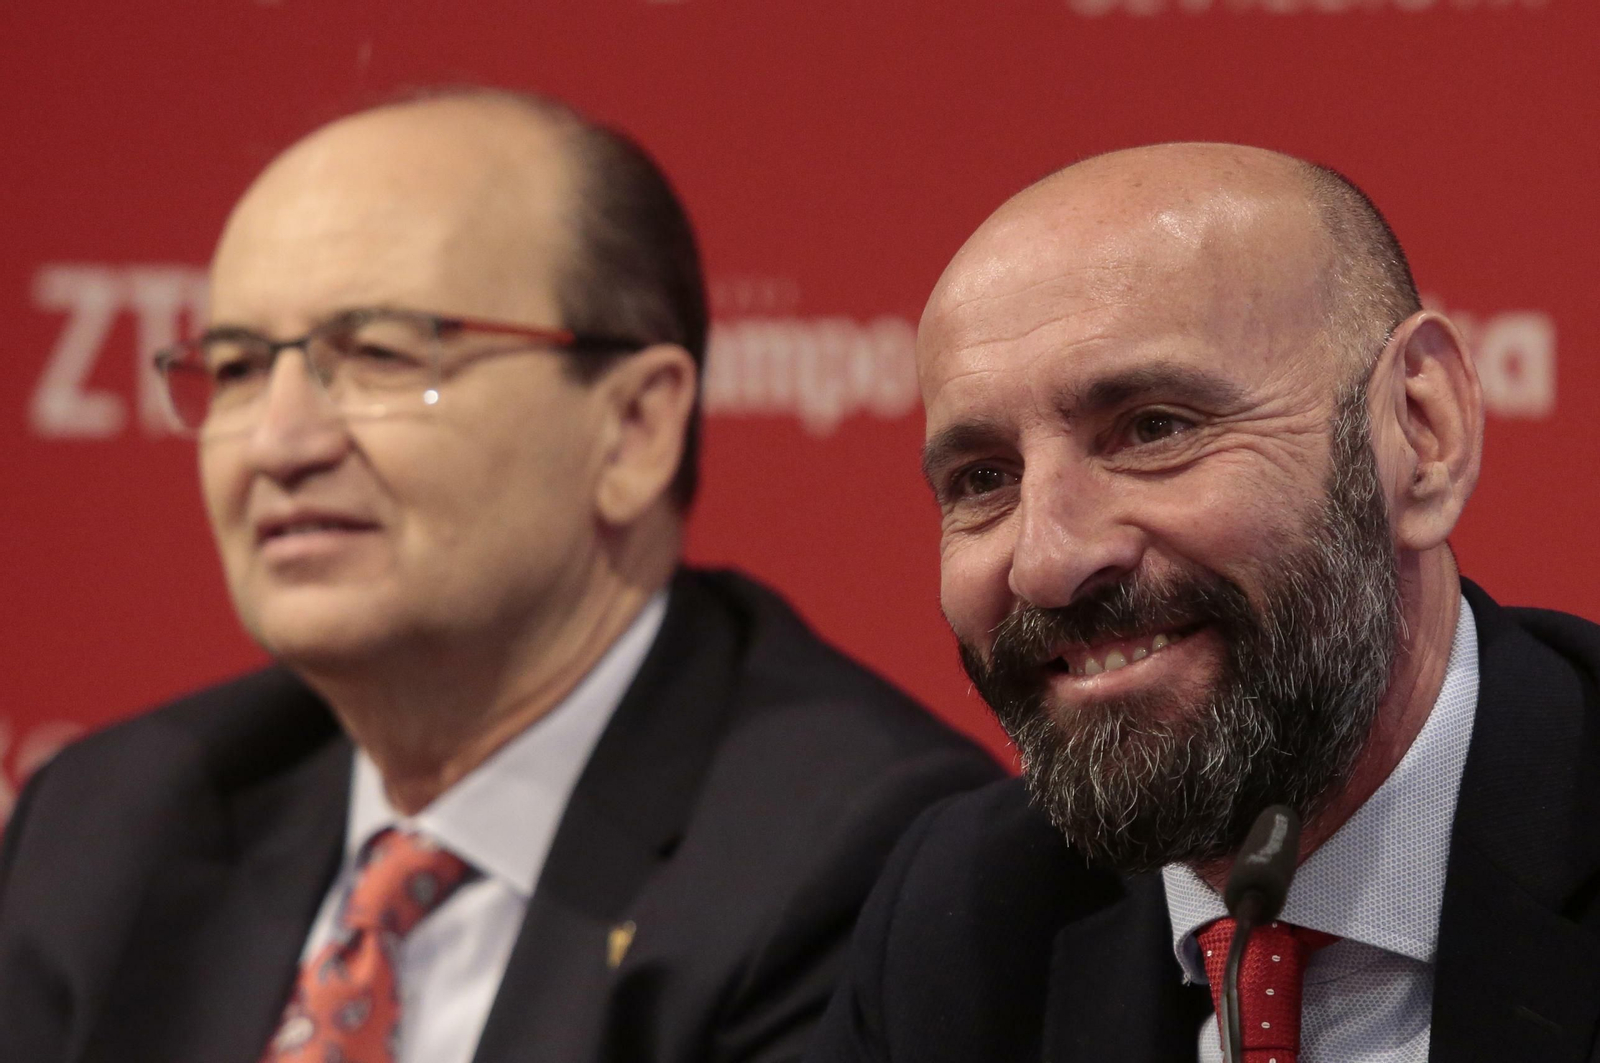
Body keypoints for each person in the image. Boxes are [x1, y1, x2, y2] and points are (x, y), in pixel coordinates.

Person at [0, 89, 999, 1063]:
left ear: (634, 427)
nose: (278, 440)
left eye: (383, 354)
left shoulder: (860, 858)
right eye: (236, 367)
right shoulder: (115, 819)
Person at [805, 143, 1600, 1063]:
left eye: (1154, 429)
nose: (1049, 562)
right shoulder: (966, 923)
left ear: (1421, 433)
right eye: (984, 479)